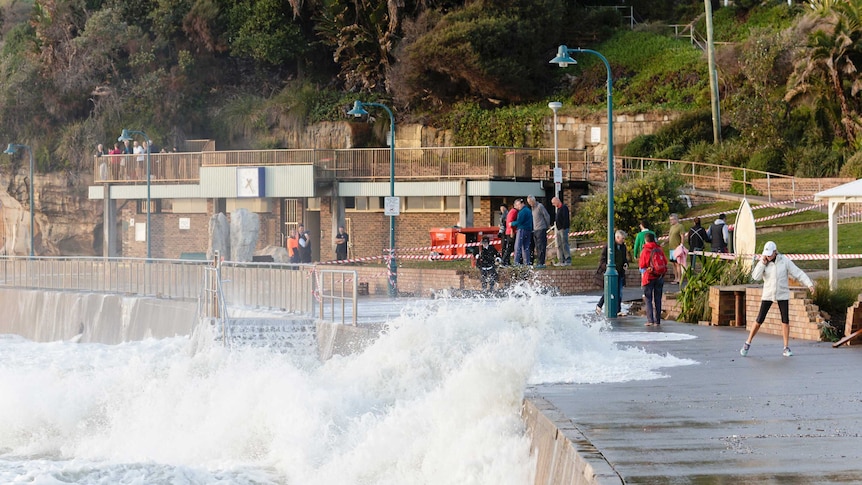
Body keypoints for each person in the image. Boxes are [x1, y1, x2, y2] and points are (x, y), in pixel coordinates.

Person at [741, 241, 815, 357]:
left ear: (775, 252)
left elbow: (797, 272)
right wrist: (762, 264)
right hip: (768, 294)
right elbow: (755, 277)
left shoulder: (784, 261)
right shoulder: (764, 262)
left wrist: (809, 284)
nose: (768, 256)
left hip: (782, 294)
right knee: (759, 319)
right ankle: (747, 342)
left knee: (785, 320)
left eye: (770, 254)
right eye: (767, 254)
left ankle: (786, 347)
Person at [596, 230, 628, 315]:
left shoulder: (623, 247)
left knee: (619, 292)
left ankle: (618, 310)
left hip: (620, 273)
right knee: (609, 290)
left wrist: (626, 264)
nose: (623, 240)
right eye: (622, 239)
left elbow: (624, 258)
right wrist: (607, 267)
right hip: (611, 272)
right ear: (617, 238)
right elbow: (602, 259)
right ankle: (599, 306)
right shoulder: (609, 246)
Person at [638, 232, 665, 326]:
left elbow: (642, 265)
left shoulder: (645, 250)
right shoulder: (659, 249)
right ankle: (658, 321)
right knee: (658, 298)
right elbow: (664, 261)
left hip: (648, 277)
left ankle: (650, 320)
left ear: (646, 240)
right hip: (659, 276)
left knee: (648, 299)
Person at [527, 195, 550, 268]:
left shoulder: (540, 206)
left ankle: (541, 262)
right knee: (537, 246)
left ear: (534, 200)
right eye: (529, 202)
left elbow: (546, 216)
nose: (530, 203)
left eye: (531, 202)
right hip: (535, 230)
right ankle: (539, 261)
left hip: (541, 228)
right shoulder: (532, 208)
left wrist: (546, 226)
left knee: (541, 246)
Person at [510, 198, 533, 266]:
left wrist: (512, 223)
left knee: (518, 246)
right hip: (528, 230)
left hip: (522, 230)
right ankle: (527, 263)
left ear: (521, 203)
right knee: (526, 247)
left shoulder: (522, 212)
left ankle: (516, 262)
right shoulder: (528, 210)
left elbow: (519, 222)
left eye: (518, 205)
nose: (517, 207)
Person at [552, 197, 571, 266]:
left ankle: (567, 259)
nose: (553, 204)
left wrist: (563, 227)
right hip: (559, 229)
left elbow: (565, 219)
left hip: (563, 229)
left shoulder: (564, 208)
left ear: (557, 201)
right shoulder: (558, 209)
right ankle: (561, 260)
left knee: (564, 244)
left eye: (554, 203)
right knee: (559, 245)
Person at [667, 213, 685, 284]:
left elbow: (682, 236)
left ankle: (679, 278)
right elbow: (670, 237)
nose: (670, 221)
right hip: (671, 248)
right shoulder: (671, 227)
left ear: (675, 219)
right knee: (673, 264)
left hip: (677, 248)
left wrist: (681, 245)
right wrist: (664, 243)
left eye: (671, 220)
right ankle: (676, 278)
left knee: (677, 263)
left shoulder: (680, 226)